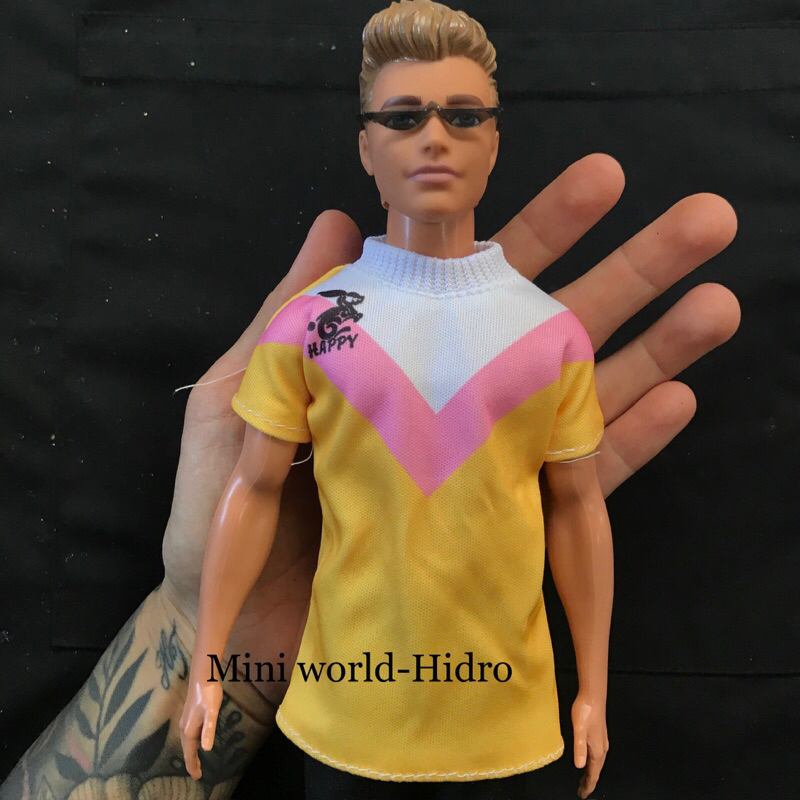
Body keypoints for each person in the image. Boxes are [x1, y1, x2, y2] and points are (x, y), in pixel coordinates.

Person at [0, 27, 740, 800]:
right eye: (403, 117)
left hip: (509, 725)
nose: (434, 138)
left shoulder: (551, 337)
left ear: (494, 143)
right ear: (365, 147)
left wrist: (593, 687)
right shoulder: (311, 323)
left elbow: (578, 506)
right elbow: (254, 488)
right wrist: (205, 659)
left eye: (463, 116)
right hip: (341, 720)